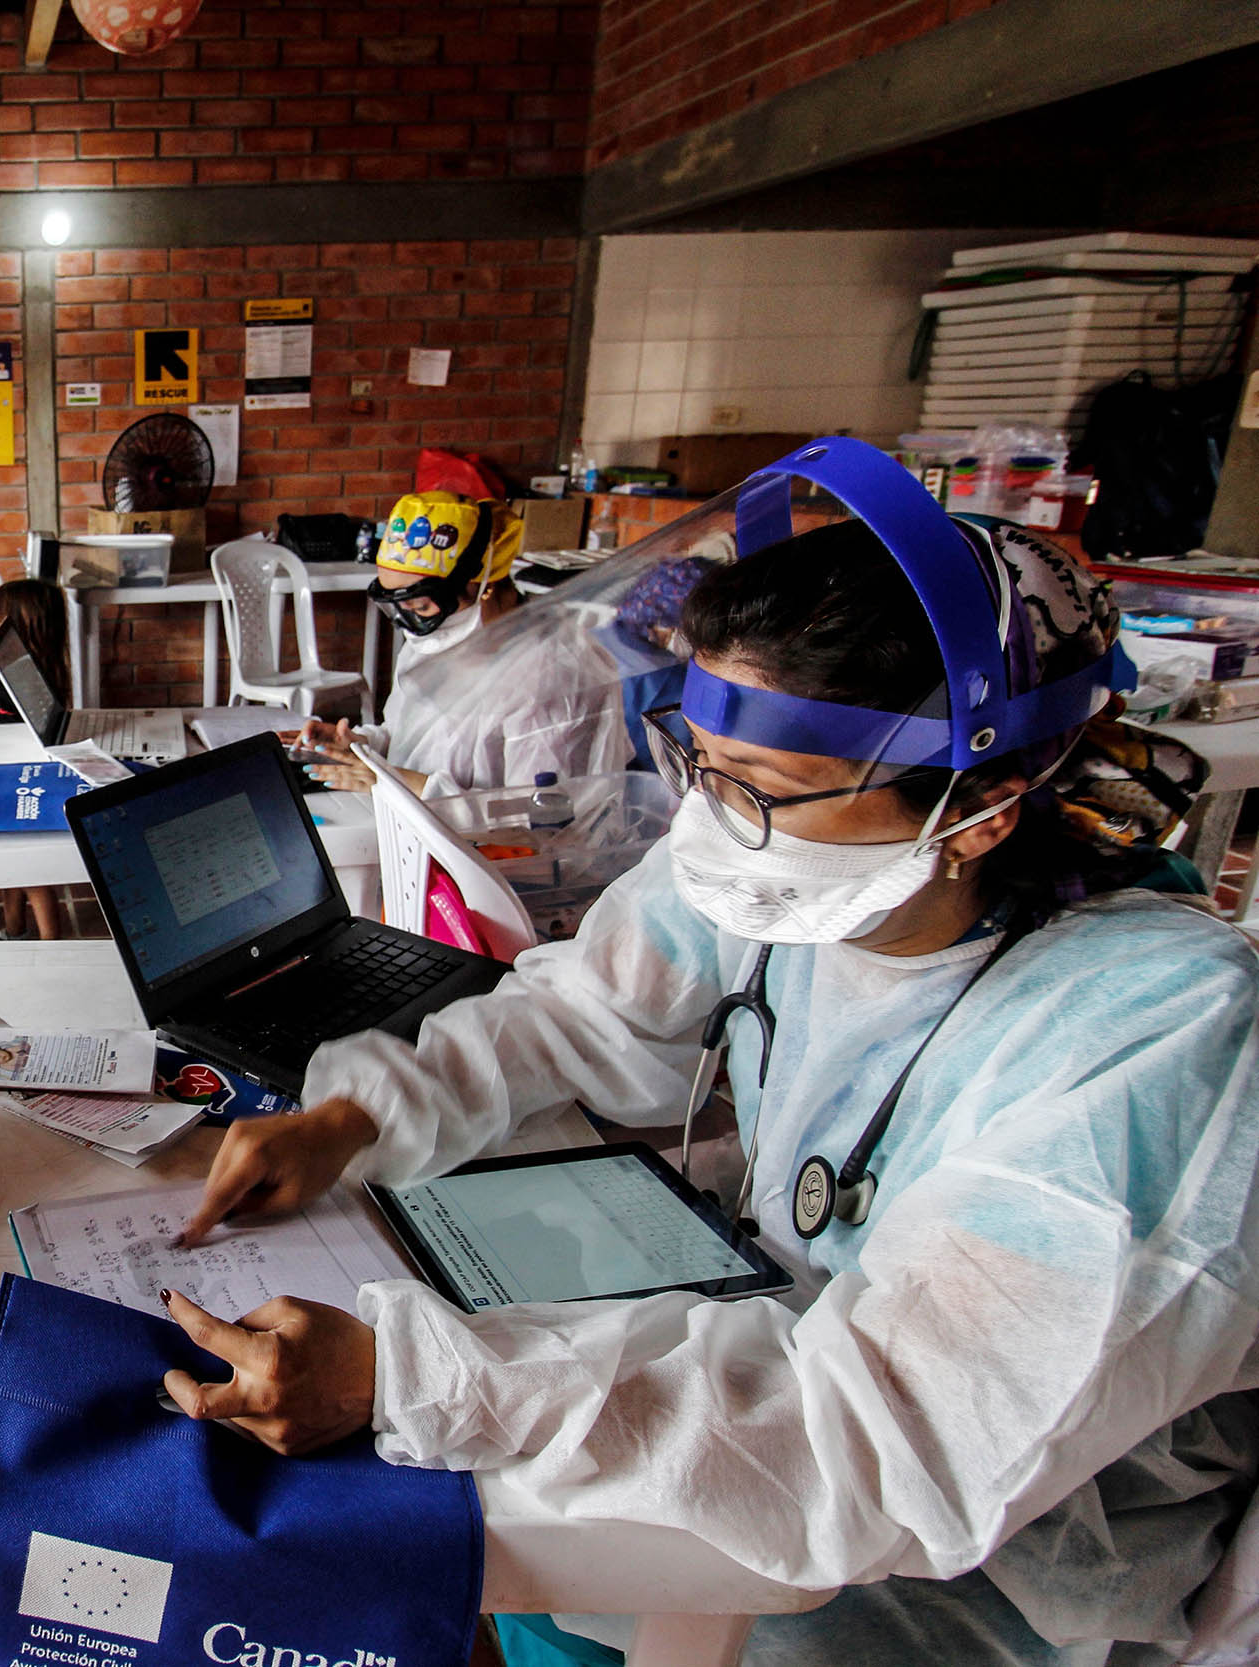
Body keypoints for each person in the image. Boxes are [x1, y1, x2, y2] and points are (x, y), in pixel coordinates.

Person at [161, 473, 1258, 1665]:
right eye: (702, 762)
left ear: (983, 806)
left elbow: (896, 1437)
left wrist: (416, 1379)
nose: (711, 821)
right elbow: (580, 1009)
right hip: (771, 1406)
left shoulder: (1153, 1036)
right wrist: (358, 1115)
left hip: (965, 1580)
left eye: (765, 789)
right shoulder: (801, 868)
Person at [299, 493, 628, 798]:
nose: (409, 622)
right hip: (413, 825)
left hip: (497, 856)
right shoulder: (438, 638)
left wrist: (395, 782)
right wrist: (359, 745)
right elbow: (407, 739)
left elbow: (535, 818)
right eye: (398, 607)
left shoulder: (552, 671)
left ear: (483, 584)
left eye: (421, 605)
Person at [0, 577, 70, 940]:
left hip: (22, 780)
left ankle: (52, 943)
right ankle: (13, 930)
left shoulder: (19, 678)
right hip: (24, 772)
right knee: (13, 872)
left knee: (31, 876)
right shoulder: (43, 664)